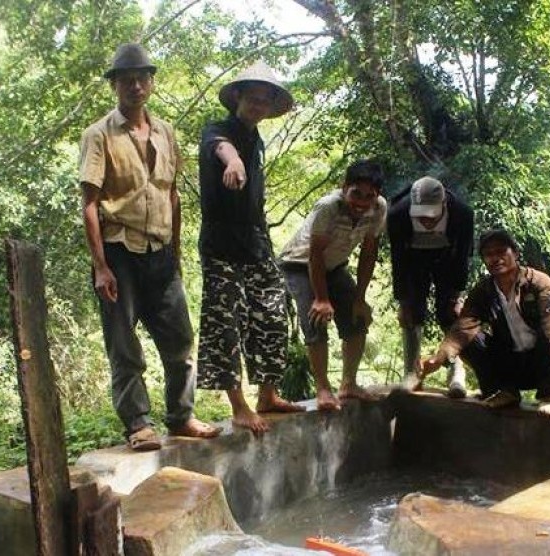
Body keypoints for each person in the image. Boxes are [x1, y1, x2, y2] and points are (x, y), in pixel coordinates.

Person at [79, 43, 221, 451]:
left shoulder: (165, 132)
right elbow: (89, 204)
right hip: (118, 252)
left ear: (151, 83)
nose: (135, 86)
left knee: (180, 341)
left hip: (160, 252)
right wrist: (101, 266)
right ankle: (139, 424)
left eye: (142, 79)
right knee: (123, 344)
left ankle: (181, 416)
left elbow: (171, 194)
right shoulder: (99, 135)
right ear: (115, 86)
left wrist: (175, 252)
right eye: (127, 80)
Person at [197, 61, 304, 435]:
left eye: (265, 101)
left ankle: (267, 394)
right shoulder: (218, 130)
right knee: (225, 322)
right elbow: (220, 147)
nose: (258, 106)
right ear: (238, 97)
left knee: (273, 314)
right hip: (221, 246)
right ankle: (239, 406)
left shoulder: (257, 140)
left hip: (256, 243)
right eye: (253, 98)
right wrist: (234, 161)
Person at [419, 229, 550, 414]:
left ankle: (549, 393)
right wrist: (439, 358)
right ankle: (503, 391)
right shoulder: (484, 291)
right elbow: (462, 328)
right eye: (489, 254)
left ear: (515, 253)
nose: (496, 258)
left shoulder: (538, 281)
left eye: (501, 252)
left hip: (542, 363)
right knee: (469, 339)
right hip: (510, 364)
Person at [279, 160, 387, 411]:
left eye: (368, 196)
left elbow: (369, 253)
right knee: (316, 319)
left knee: (358, 319)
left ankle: (348, 383)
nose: (361, 202)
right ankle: (323, 389)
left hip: (335, 266)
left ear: (377, 195)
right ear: (344, 187)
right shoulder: (328, 207)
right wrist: (322, 299)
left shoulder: (379, 209)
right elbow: (314, 254)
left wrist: (359, 298)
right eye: (356, 194)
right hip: (299, 264)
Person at [387, 176, 474, 397]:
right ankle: (411, 373)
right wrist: (403, 300)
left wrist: (457, 294)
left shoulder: (462, 214)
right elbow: (398, 259)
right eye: (421, 214)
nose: (426, 220)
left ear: (443, 205)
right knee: (412, 313)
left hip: (449, 260)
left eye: (431, 215)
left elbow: (464, 256)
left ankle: (456, 371)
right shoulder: (398, 213)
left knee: (449, 312)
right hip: (414, 260)